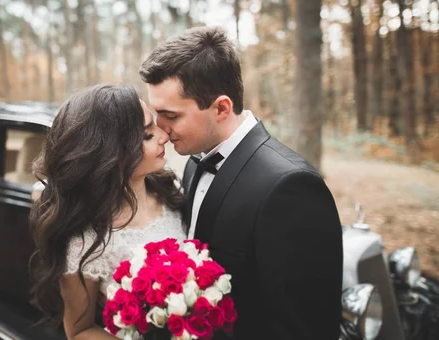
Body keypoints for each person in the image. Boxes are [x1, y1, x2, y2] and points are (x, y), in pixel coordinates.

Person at [139, 26, 343, 340]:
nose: (162, 130)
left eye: (171, 115)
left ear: (221, 108)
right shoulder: (195, 164)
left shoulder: (291, 187)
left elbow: (306, 327)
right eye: (157, 113)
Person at [29, 84, 186, 340]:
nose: (164, 136)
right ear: (112, 155)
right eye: (147, 135)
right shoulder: (86, 241)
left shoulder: (173, 191)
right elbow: (79, 330)